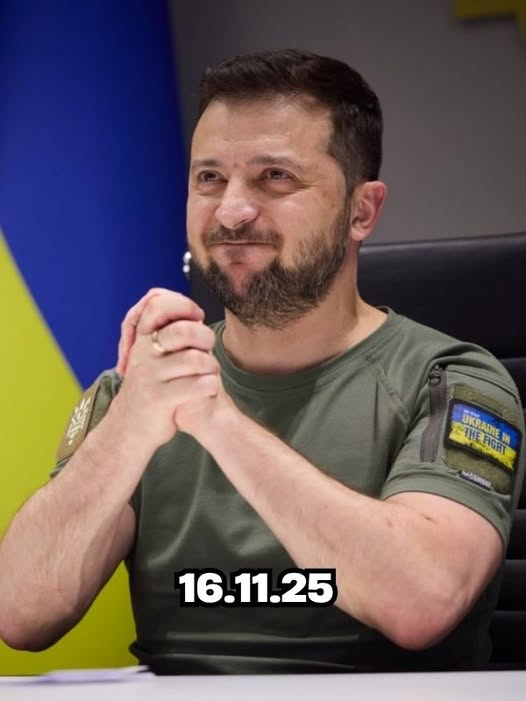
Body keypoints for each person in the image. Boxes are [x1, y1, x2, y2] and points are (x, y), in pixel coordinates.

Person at [0, 49, 524, 674]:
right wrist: (130, 426)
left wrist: (217, 420)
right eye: (209, 178)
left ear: (361, 210)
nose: (230, 211)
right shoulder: (144, 388)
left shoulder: (456, 381)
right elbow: (21, 614)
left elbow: (421, 602)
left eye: (274, 176)